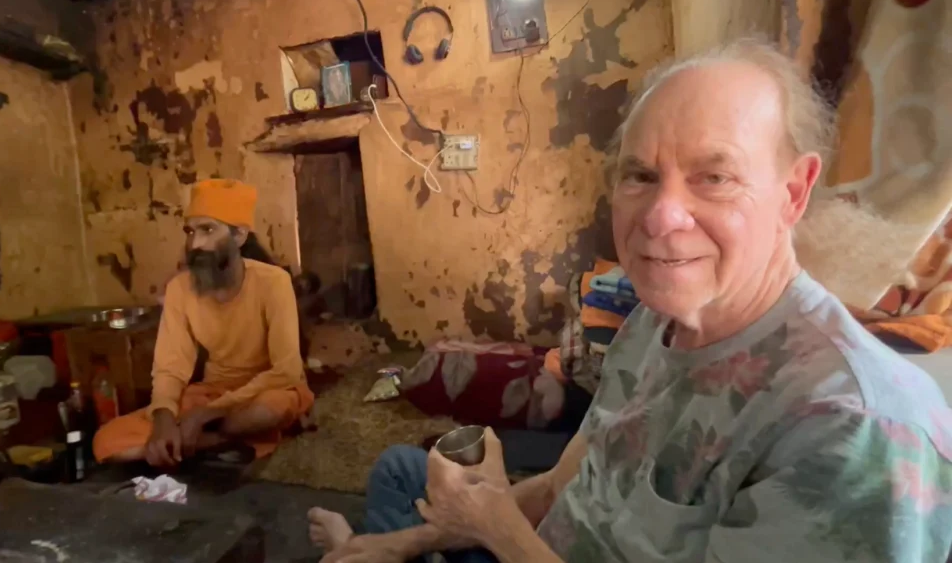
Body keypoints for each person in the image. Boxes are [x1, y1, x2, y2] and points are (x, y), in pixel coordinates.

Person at [307, 39, 952, 563]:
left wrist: (493, 523)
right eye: (641, 175)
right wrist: (405, 541)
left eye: (715, 176)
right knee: (399, 469)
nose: (661, 216)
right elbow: (567, 484)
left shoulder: (856, 429)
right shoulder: (652, 324)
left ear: (793, 192)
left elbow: (513, 517)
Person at [93, 179, 314, 468]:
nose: (195, 244)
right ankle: (214, 443)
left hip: (263, 393)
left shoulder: (274, 282)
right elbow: (171, 368)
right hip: (211, 393)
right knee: (107, 440)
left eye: (208, 230)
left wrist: (207, 414)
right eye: (190, 231)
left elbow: (286, 370)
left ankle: (193, 441)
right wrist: (163, 419)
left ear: (239, 236)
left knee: (270, 410)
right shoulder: (179, 289)